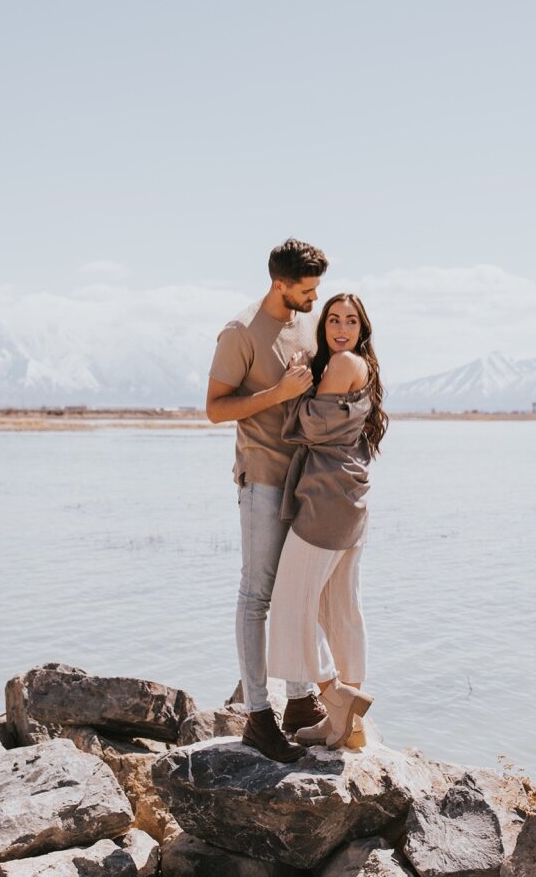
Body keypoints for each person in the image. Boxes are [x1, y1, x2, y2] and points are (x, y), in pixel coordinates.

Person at [206, 238, 332, 762]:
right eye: (307, 288)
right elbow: (215, 409)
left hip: (308, 479)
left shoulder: (307, 321)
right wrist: (276, 395)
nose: (315, 296)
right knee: (257, 595)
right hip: (261, 478)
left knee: (298, 592)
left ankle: (301, 702)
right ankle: (259, 715)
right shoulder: (239, 331)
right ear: (280, 284)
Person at [266, 292, 388, 750]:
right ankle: (348, 726)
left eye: (350, 321)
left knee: (292, 602)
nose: (340, 328)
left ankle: (334, 694)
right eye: (333, 320)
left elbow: (308, 426)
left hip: (326, 501)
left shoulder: (343, 365)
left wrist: (294, 386)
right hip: (347, 497)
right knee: (340, 606)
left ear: (362, 329)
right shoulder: (360, 368)